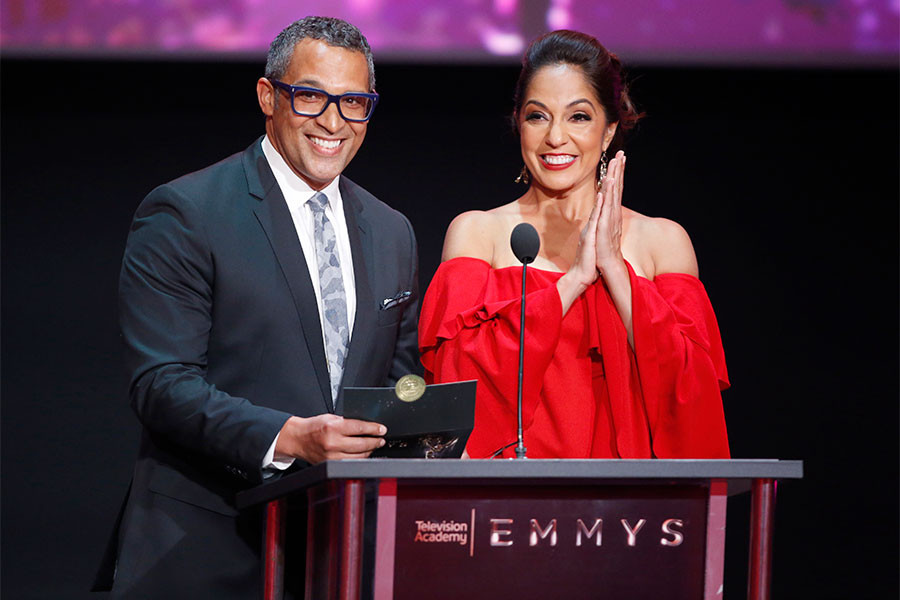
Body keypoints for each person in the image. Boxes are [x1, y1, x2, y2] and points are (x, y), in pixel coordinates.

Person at [93, 16, 420, 598]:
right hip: (206, 548)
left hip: (338, 554)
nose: (333, 121)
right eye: (312, 96)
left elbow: (396, 381)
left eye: (354, 103)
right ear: (269, 96)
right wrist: (289, 437)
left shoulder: (391, 230)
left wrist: (433, 422)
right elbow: (161, 384)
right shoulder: (186, 211)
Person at [419, 30, 729, 459]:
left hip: (631, 512)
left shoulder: (663, 242)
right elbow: (456, 396)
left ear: (608, 131)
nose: (555, 138)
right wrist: (575, 281)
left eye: (578, 116)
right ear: (519, 125)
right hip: (501, 504)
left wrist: (615, 271)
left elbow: (692, 401)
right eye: (537, 116)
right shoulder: (477, 234)